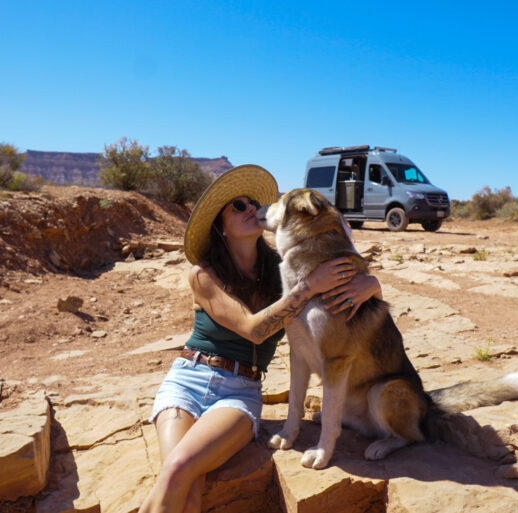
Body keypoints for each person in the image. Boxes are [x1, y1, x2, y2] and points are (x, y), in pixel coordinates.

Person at [139, 165, 382, 513]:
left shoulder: (283, 266)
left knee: (179, 468)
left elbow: (346, 268)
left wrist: (371, 284)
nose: (250, 207)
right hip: (187, 381)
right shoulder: (203, 275)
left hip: (239, 392)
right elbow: (254, 329)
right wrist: (309, 286)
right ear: (220, 227)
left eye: (252, 202)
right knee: (184, 482)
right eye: (237, 206)